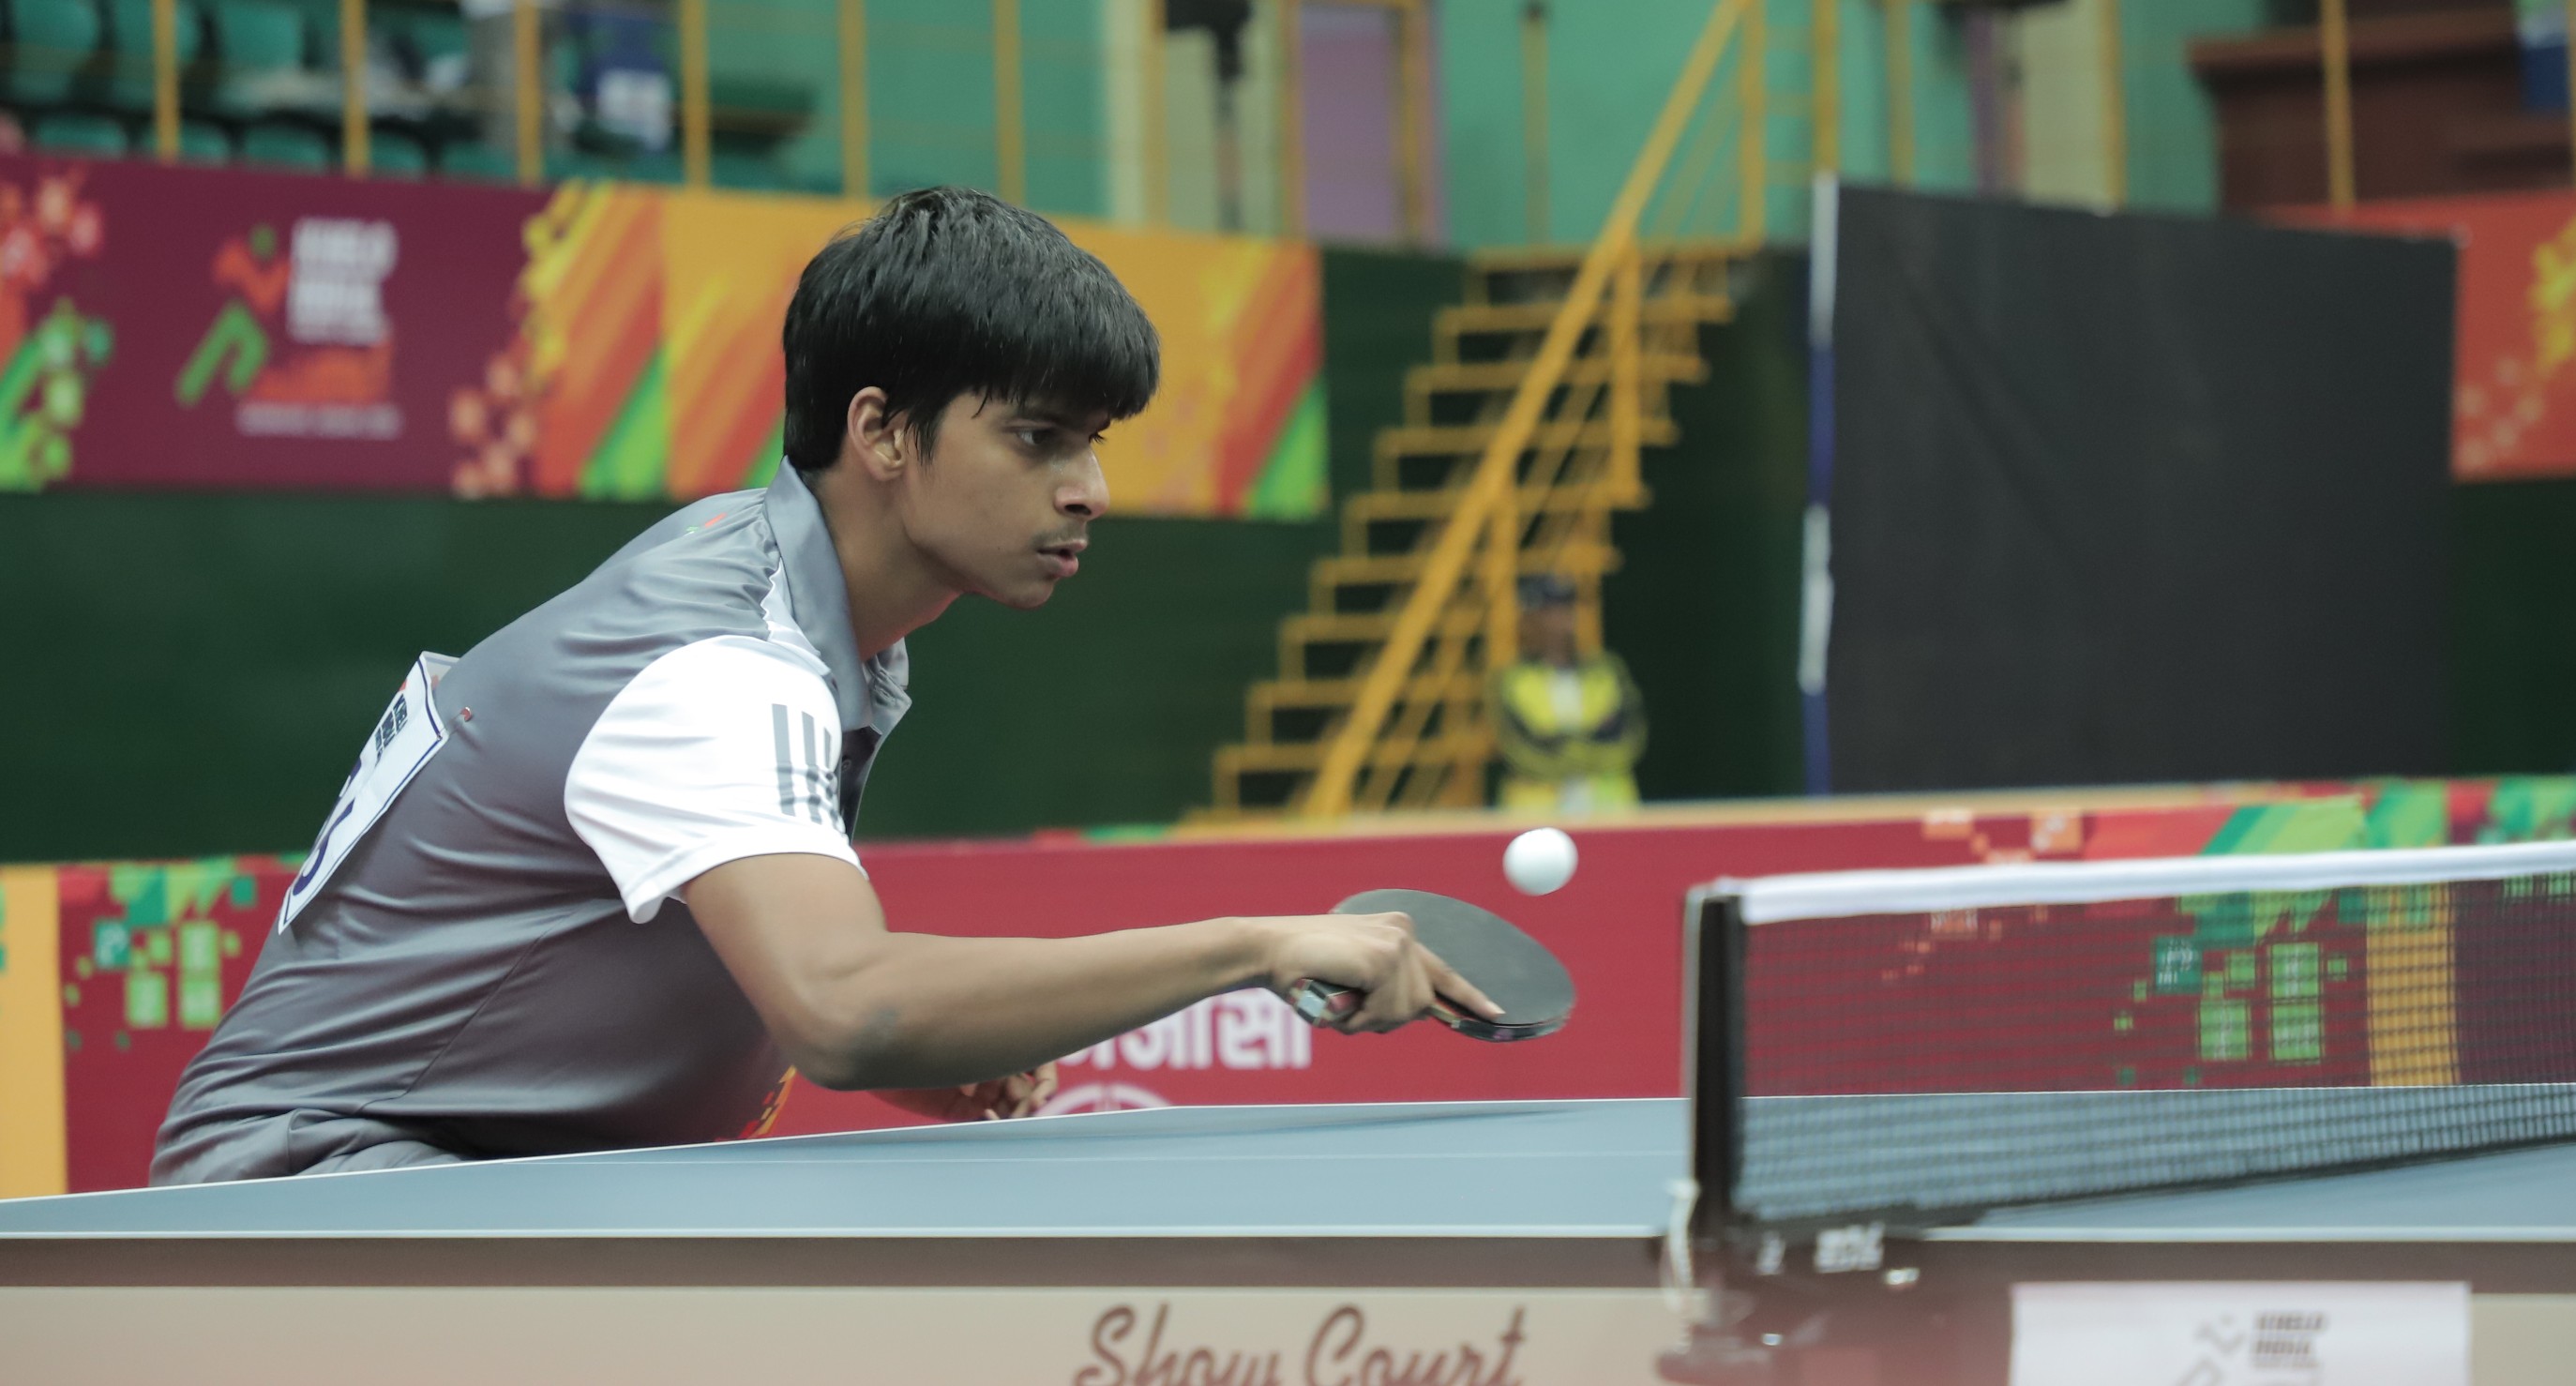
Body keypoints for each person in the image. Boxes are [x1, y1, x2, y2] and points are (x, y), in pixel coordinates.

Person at [152, 188, 1494, 1184]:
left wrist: (929, 1049)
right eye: (1037, 439)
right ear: (883, 432)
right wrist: (1255, 946)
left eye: (1092, 442)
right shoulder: (720, 660)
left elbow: (709, 940)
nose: (1088, 488)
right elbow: (846, 1008)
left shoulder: (786, 604)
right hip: (318, 1191)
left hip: (454, 1178)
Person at [1492, 575, 1646, 814]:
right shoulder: (1510, 680)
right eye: (1547, 612)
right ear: (1528, 619)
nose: (1558, 621)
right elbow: (1518, 748)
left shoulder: (1608, 670)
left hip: (1607, 812)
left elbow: (1630, 736)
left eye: (1565, 609)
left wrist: (1559, 741)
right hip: (1538, 815)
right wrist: (1590, 739)